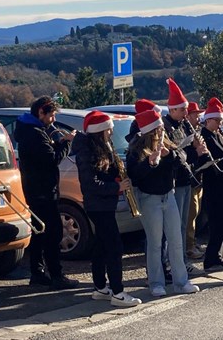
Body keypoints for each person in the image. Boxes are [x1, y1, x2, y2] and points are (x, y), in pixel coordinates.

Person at [127, 109, 200, 297]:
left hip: (169, 196)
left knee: (176, 240)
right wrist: (150, 163)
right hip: (149, 199)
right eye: (159, 129)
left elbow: (181, 162)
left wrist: (171, 156)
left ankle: (181, 282)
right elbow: (134, 176)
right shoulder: (136, 148)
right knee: (155, 243)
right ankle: (156, 283)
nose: (162, 131)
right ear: (150, 131)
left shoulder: (167, 143)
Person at [73, 111, 142, 307]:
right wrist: (116, 187)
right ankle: (118, 293)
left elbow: (104, 175)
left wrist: (118, 175)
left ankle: (101, 288)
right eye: (109, 128)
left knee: (102, 246)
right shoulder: (87, 152)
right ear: (100, 131)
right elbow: (89, 184)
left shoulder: (102, 147)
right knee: (114, 247)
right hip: (98, 205)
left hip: (104, 204)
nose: (112, 132)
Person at [14, 96, 79, 290]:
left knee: (39, 233)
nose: (53, 120)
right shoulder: (34, 133)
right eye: (51, 115)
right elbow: (52, 160)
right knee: (53, 233)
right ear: (41, 113)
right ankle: (56, 275)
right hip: (42, 191)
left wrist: (58, 143)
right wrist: (67, 142)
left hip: (37, 189)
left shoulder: (30, 130)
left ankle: (38, 273)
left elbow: (46, 155)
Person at [161, 78, 209, 277]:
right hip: (176, 179)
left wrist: (199, 149)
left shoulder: (184, 125)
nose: (184, 114)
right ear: (172, 110)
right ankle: (173, 262)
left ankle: (181, 260)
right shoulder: (166, 126)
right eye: (182, 110)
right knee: (175, 225)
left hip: (187, 177)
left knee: (183, 223)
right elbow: (173, 149)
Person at [200, 97, 223, 271]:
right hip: (213, 184)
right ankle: (211, 259)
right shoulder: (204, 136)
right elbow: (209, 159)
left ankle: (222, 256)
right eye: (218, 120)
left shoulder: (219, 134)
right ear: (209, 120)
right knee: (216, 223)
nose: (220, 123)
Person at [185, 101, 206, 260]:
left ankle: (192, 242)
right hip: (190, 179)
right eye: (196, 115)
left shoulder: (196, 132)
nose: (199, 119)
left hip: (198, 178)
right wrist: (196, 149)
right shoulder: (186, 134)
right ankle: (189, 247)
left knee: (196, 213)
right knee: (190, 215)